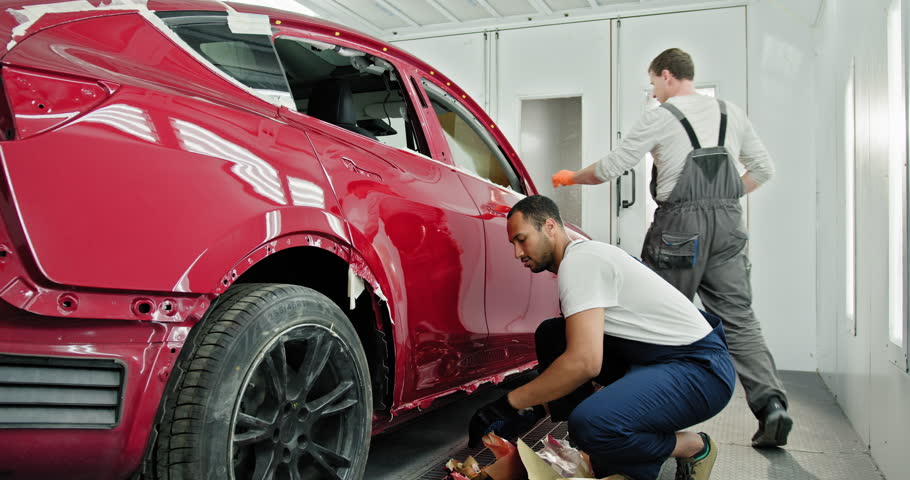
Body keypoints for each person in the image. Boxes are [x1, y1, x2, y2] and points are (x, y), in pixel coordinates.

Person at [551, 47, 791, 448]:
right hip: (729, 224)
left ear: (666, 76)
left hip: (681, 227)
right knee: (739, 317)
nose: (654, 93)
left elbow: (612, 167)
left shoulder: (660, 117)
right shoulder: (731, 113)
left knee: (654, 320)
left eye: (653, 85)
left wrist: (570, 177)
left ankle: (638, 412)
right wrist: (729, 197)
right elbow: (764, 169)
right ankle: (772, 408)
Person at [468, 195, 735, 480]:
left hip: (699, 372)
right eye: (513, 244)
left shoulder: (580, 263)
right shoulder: (586, 256)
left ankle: (693, 447)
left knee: (593, 425)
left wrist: (507, 403)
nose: (517, 253)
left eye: (522, 239)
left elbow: (585, 362)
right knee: (553, 334)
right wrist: (532, 409)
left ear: (549, 227)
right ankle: (611, 446)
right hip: (661, 362)